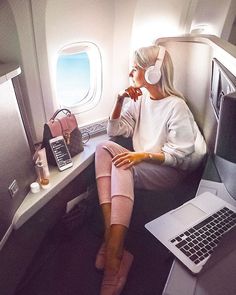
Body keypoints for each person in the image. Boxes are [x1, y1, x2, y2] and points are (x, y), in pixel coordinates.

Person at [95, 44, 206, 295]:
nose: (131, 72)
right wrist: (119, 99)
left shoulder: (176, 106)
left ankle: (114, 257)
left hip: (168, 172)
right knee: (103, 147)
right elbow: (114, 131)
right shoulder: (141, 100)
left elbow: (178, 156)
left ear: (154, 73)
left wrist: (141, 155)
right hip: (143, 163)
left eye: (136, 67)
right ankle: (112, 238)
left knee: (123, 166)